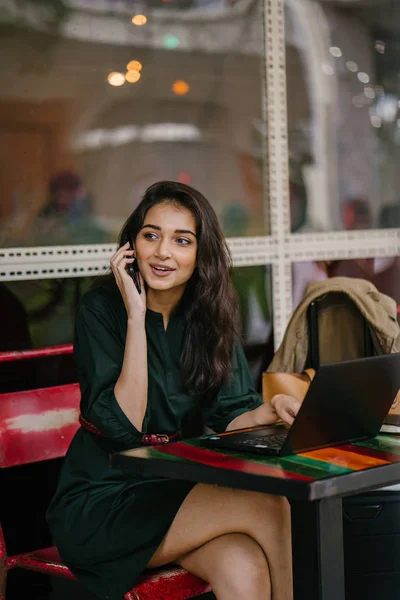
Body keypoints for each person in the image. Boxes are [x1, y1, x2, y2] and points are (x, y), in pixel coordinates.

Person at [47, 181, 300, 600]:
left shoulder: (209, 315)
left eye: (182, 240)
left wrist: (269, 410)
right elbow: (124, 426)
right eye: (151, 236)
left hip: (174, 487)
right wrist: (136, 316)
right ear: (131, 246)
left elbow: (229, 414)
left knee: (244, 564)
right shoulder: (101, 309)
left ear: (202, 254)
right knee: (271, 504)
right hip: (104, 500)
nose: (163, 252)